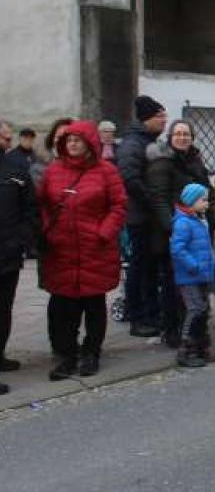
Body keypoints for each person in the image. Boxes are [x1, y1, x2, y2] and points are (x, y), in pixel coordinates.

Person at [39, 120, 126, 380]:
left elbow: (118, 204)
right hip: (62, 250)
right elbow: (41, 204)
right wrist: (48, 230)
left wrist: (104, 231)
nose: (72, 144)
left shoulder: (106, 171)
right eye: (68, 140)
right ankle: (67, 356)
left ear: (89, 143)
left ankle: (91, 353)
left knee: (94, 304)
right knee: (66, 307)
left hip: (95, 249)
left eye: (77, 140)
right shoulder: (53, 171)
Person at [146, 118, 215, 347]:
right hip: (174, 232)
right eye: (178, 134)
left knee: (197, 287)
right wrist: (174, 228)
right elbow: (158, 199)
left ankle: (196, 329)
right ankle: (174, 330)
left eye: (186, 134)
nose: (182, 137)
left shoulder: (195, 161)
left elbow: (208, 192)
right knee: (173, 287)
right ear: (170, 137)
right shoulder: (163, 163)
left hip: (196, 230)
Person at [115, 97, 166, 338]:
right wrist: (153, 202)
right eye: (160, 116)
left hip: (149, 216)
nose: (164, 120)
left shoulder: (147, 141)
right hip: (140, 217)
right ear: (147, 118)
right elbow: (130, 178)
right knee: (139, 267)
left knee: (150, 267)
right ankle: (138, 316)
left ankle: (151, 313)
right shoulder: (132, 144)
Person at [0, 139, 37, 390]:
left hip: (8, 252)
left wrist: (21, 240)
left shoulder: (15, 166)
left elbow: (30, 207)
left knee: (4, 309)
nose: (7, 140)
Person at [170, 183, 215, 368]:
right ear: (191, 201)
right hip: (190, 276)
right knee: (195, 309)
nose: (207, 203)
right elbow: (177, 249)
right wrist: (193, 265)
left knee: (203, 309)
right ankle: (186, 350)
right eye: (203, 200)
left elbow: (204, 247)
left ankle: (200, 347)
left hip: (201, 275)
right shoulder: (183, 223)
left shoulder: (197, 220)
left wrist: (212, 265)